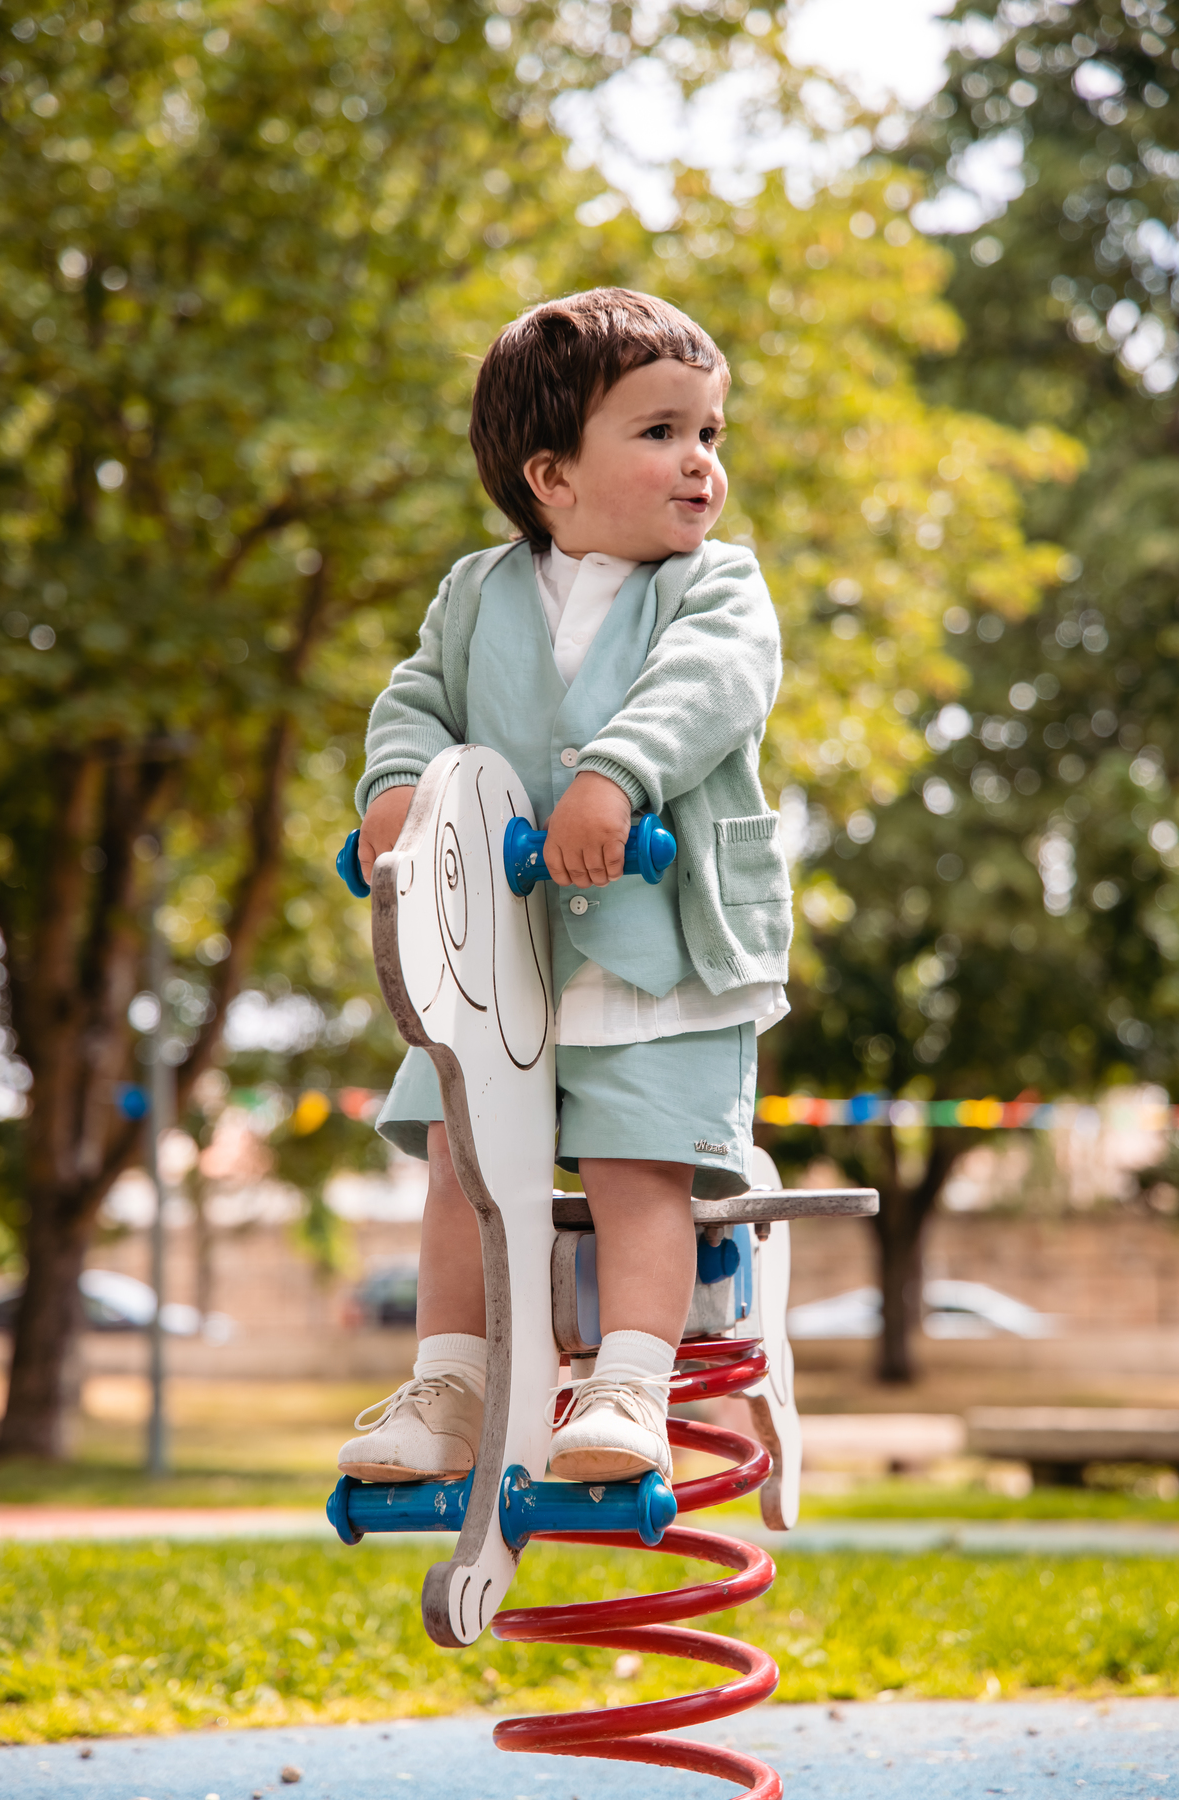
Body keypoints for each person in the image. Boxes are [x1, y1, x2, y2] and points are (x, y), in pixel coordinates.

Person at [337, 288, 791, 1490]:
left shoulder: (715, 587)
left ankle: (628, 1383)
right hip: (501, 962)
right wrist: (396, 788)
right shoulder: (475, 593)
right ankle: (453, 1380)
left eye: (710, 433)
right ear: (552, 476)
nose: (700, 462)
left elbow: (707, 685)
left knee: (638, 1166)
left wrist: (615, 776)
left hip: (657, 953)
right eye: (662, 432)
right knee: (463, 1163)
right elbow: (416, 701)